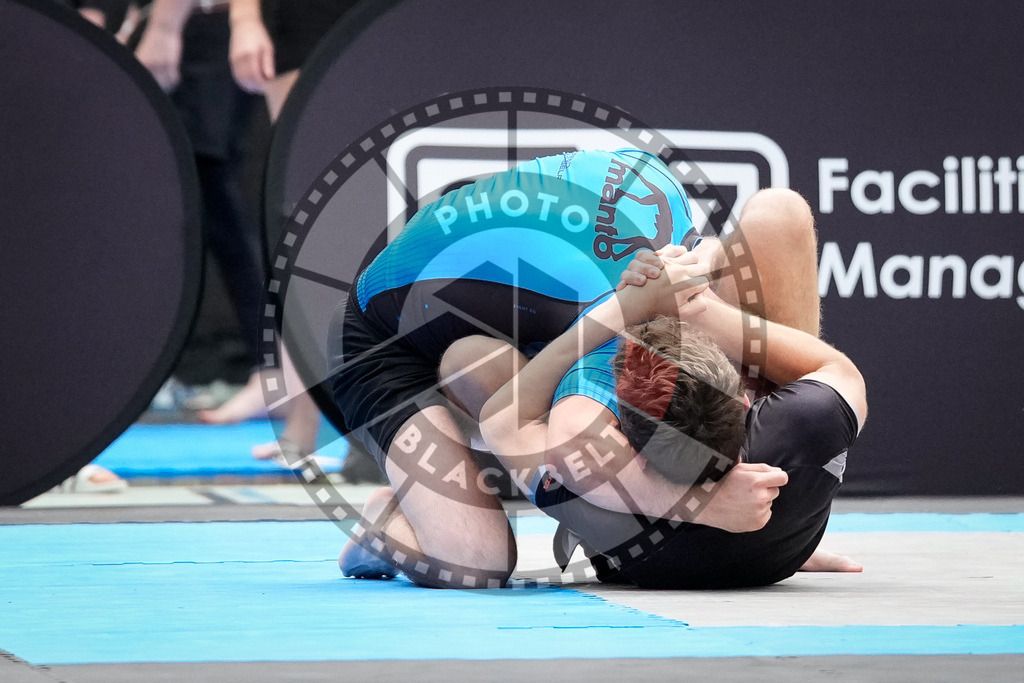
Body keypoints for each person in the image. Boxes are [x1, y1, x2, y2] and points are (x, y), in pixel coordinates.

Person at [329, 149, 823, 587]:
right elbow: (572, 445)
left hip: (498, 296)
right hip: (381, 339)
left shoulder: (682, 270)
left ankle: (592, 510)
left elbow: (745, 244)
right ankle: (384, 523)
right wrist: (713, 508)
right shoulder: (615, 333)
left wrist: (779, 513)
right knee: (475, 562)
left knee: (483, 363)